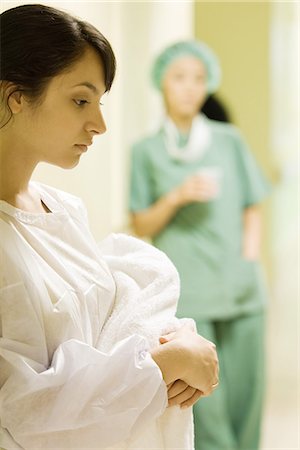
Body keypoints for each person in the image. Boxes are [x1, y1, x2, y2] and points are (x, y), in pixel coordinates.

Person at [0, 6, 219, 450]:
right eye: (81, 100)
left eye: (99, 103)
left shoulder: (63, 209)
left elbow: (113, 322)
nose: (99, 124)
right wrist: (164, 364)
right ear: (16, 96)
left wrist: (175, 337)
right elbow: (23, 408)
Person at [129, 40, 270, 450]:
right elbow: (141, 222)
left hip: (242, 286)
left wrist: (249, 260)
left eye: (198, 79)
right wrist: (176, 196)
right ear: (162, 84)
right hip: (191, 291)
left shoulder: (229, 141)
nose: (190, 88)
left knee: (247, 398)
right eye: (179, 78)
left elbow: (253, 206)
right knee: (205, 406)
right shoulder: (146, 152)